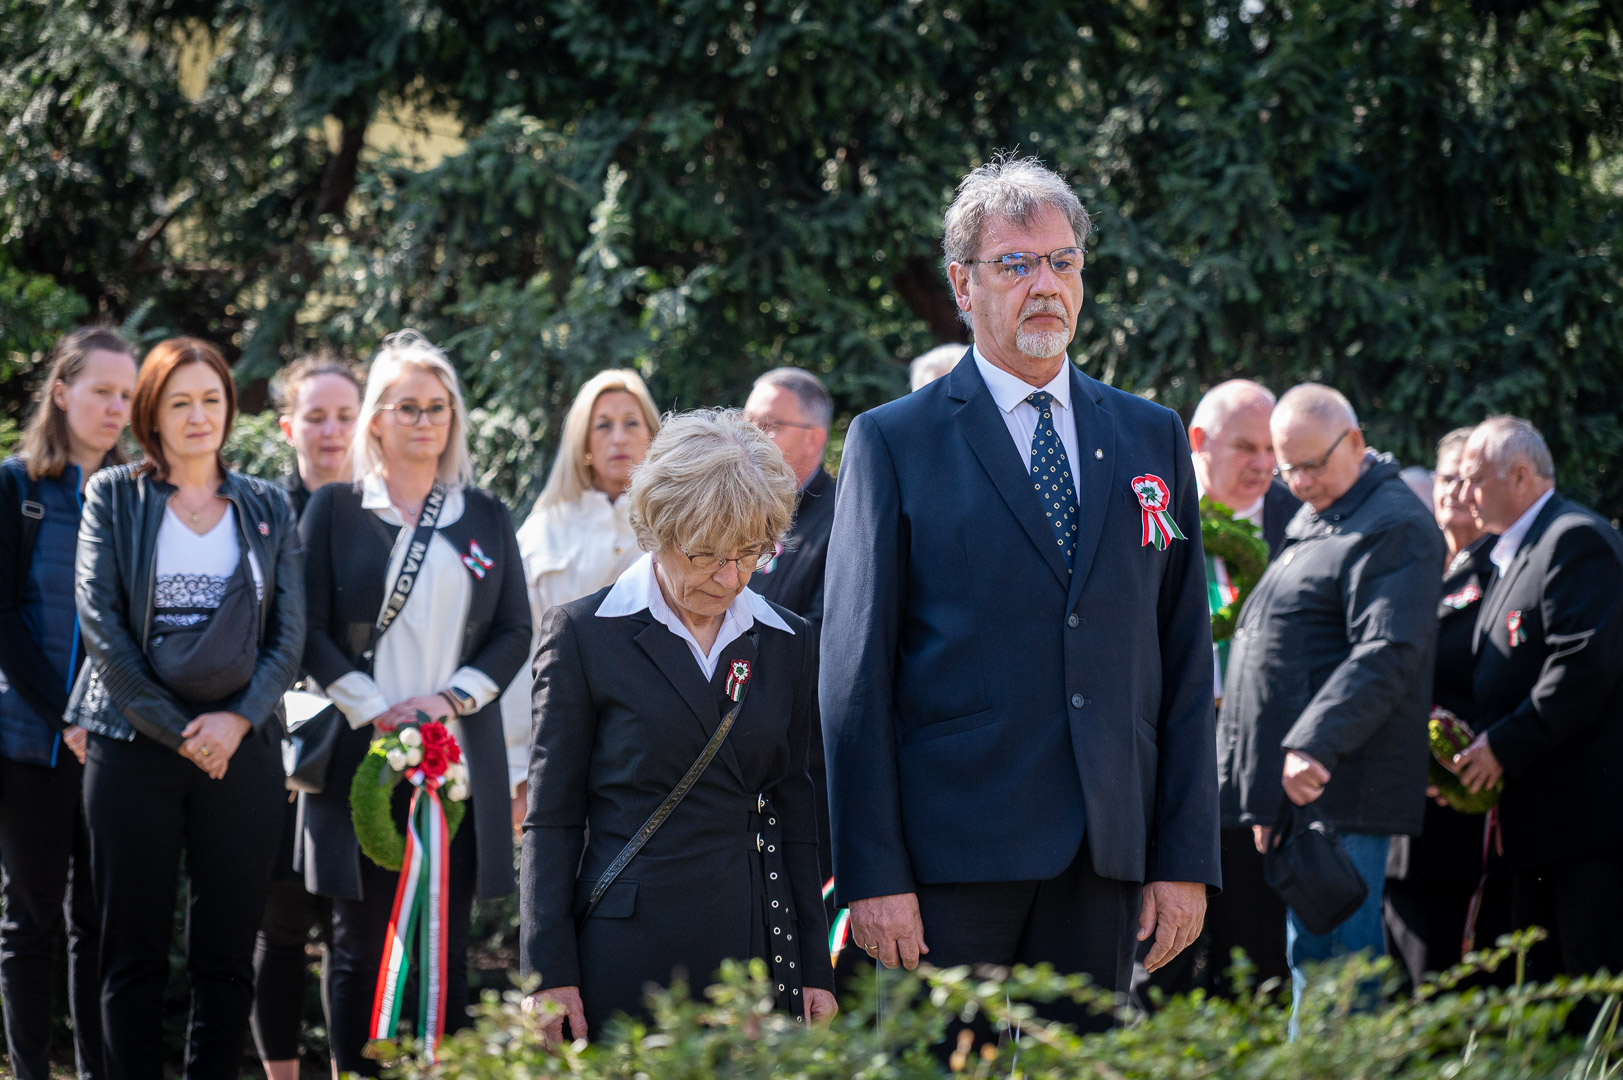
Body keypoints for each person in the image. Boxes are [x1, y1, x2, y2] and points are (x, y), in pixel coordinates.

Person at [820, 155, 1219, 1031]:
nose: (1046, 285)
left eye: (1062, 262)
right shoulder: (893, 442)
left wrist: (1183, 857)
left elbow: (1185, 662)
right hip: (948, 862)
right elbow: (853, 678)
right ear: (961, 285)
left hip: (1106, 855)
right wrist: (872, 873)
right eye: (1016, 264)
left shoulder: (1150, 435)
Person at [520, 409, 837, 1046]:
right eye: (707, 554)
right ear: (658, 528)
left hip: (754, 946)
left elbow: (796, 813)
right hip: (626, 947)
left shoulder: (788, 640)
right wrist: (547, 973)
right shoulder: (584, 635)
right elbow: (552, 819)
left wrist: (812, 966)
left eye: (749, 554)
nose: (729, 577)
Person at [70, 337, 305, 1080]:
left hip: (242, 749)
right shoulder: (114, 496)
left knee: (226, 956)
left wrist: (235, 722)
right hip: (130, 745)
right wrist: (180, 733)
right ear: (151, 413)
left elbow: (289, 636)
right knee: (130, 953)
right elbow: (101, 627)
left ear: (230, 408)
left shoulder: (267, 504)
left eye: (211, 399)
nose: (198, 416)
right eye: (180, 402)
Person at [296, 330, 529, 1076]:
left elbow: (514, 630)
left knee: (443, 947)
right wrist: (374, 706)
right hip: (357, 750)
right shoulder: (335, 509)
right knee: (358, 946)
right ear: (376, 418)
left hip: (453, 757)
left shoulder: (485, 513)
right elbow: (306, 629)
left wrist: (449, 698)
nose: (425, 420)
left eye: (438, 407)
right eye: (408, 407)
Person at [1216, 383, 1443, 1020]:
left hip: (1343, 785)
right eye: (1290, 469)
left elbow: (1386, 651)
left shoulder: (1393, 524)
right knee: (1312, 961)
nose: (1301, 482)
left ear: (1357, 442)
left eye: (1313, 465)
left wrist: (1314, 743)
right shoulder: (1322, 515)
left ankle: (1348, 1064)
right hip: (1304, 791)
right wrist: (1265, 787)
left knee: (1340, 971)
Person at [1133, 379, 1299, 1007]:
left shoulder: (1298, 522)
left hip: (1262, 777)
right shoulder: (1153, 511)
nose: (1264, 464)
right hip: (1167, 771)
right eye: (1246, 448)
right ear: (1199, 441)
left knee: (1256, 964)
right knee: (1157, 963)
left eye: (1272, 449)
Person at [0, 327, 136, 1080]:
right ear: (61, 392)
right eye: (101, 391)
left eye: (126, 395)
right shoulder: (15, 489)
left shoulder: (138, 496)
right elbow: (3, 621)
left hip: (117, 749)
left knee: (100, 926)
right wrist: (66, 716)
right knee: (29, 923)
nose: (117, 408)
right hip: (30, 744)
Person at [1454, 416, 1623, 986]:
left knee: (1589, 989)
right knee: (1545, 991)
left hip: (1583, 823)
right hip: (1537, 824)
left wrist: (1501, 745)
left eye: (1475, 479)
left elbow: (1583, 667)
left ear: (1521, 476)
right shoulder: (1513, 551)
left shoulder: (1574, 539)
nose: (1463, 493)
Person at [251, 355, 362, 1080]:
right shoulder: (260, 512)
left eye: (345, 416)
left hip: (364, 748)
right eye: (315, 417)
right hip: (272, 746)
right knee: (281, 924)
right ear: (288, 426)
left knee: (352, 930)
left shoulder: (384, 513)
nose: (331, 431)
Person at [499, 369, 660, 831]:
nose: (619, 437)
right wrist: (518, 767)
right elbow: (519, 650)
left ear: (653, 435)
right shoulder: (543, 530)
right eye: (603, 425)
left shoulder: (678, 523)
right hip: (560, 751)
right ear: (583, 442)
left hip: (656, 750)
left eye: (631, 422)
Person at [1383, 426, 1509, 987]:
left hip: (1461, 793)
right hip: (1396, 795)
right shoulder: (1415, 566)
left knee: (1446, 964)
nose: (1456, 490)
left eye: (1469, 479)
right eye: (1447, 477)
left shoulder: (1502, 573)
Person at [743, 368, 834, 635]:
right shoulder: (729, 509)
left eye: (770, 426)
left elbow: (823, 634)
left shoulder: (844, 522)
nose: (751, 437)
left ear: (813, 439)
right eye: (747, 421)